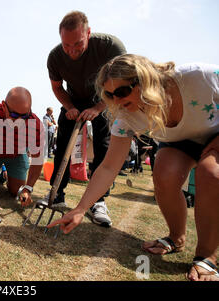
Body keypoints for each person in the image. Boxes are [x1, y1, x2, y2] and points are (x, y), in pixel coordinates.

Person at [48, 54, 219, 281]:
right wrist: (80, 209)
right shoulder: (124, 117)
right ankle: (176, 238)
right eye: (109, 94)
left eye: (122, 92)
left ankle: (207, 256)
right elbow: (109, 167)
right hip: (179, 140)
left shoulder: (198, 76)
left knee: (211, 173)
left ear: (145, 81)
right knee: (164, 174)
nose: (116, 100)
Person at [47, 11, 126, 227]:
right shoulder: (55, 57)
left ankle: (98, 201)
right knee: (62, 145)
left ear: (88, 33)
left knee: (103, 146)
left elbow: (122, 85)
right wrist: (70, 107)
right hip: (73, 99)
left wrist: (99, 108)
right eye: (66, 45)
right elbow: (57, 87)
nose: (72, 51)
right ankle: (56, 193)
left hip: (105, 98)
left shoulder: (110, 47)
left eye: (78, 44)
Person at [0, 87, 45, 209]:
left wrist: (28, 188)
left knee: (16, 191)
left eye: (24, 116)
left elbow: (37, 159)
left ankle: (4, 175)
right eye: (14, 115)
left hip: (17, 155)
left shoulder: (35, 123)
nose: (19, 121)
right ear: (4, 106)